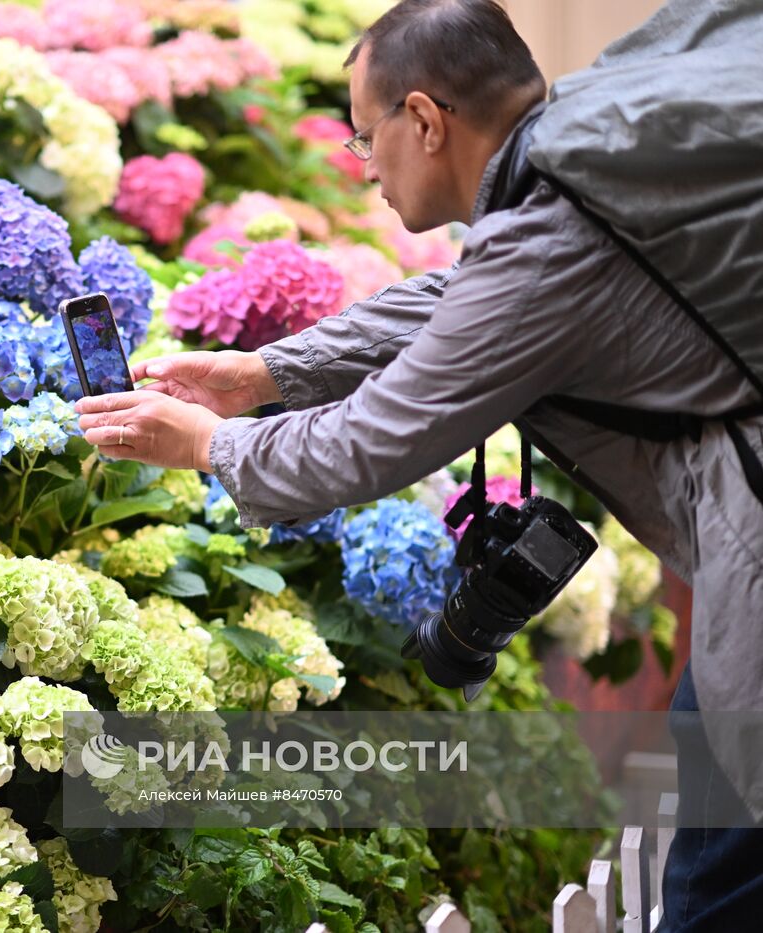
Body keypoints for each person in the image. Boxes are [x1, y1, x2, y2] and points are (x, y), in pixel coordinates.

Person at [73, 0, 763, 927]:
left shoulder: (552, 239)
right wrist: (267, 371)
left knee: (716, 895)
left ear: (427, 121)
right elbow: (466, 295)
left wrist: (202, 443)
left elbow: (369, 438)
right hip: (735, 569)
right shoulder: (587, 156)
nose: (366, 173)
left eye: (366, 141)